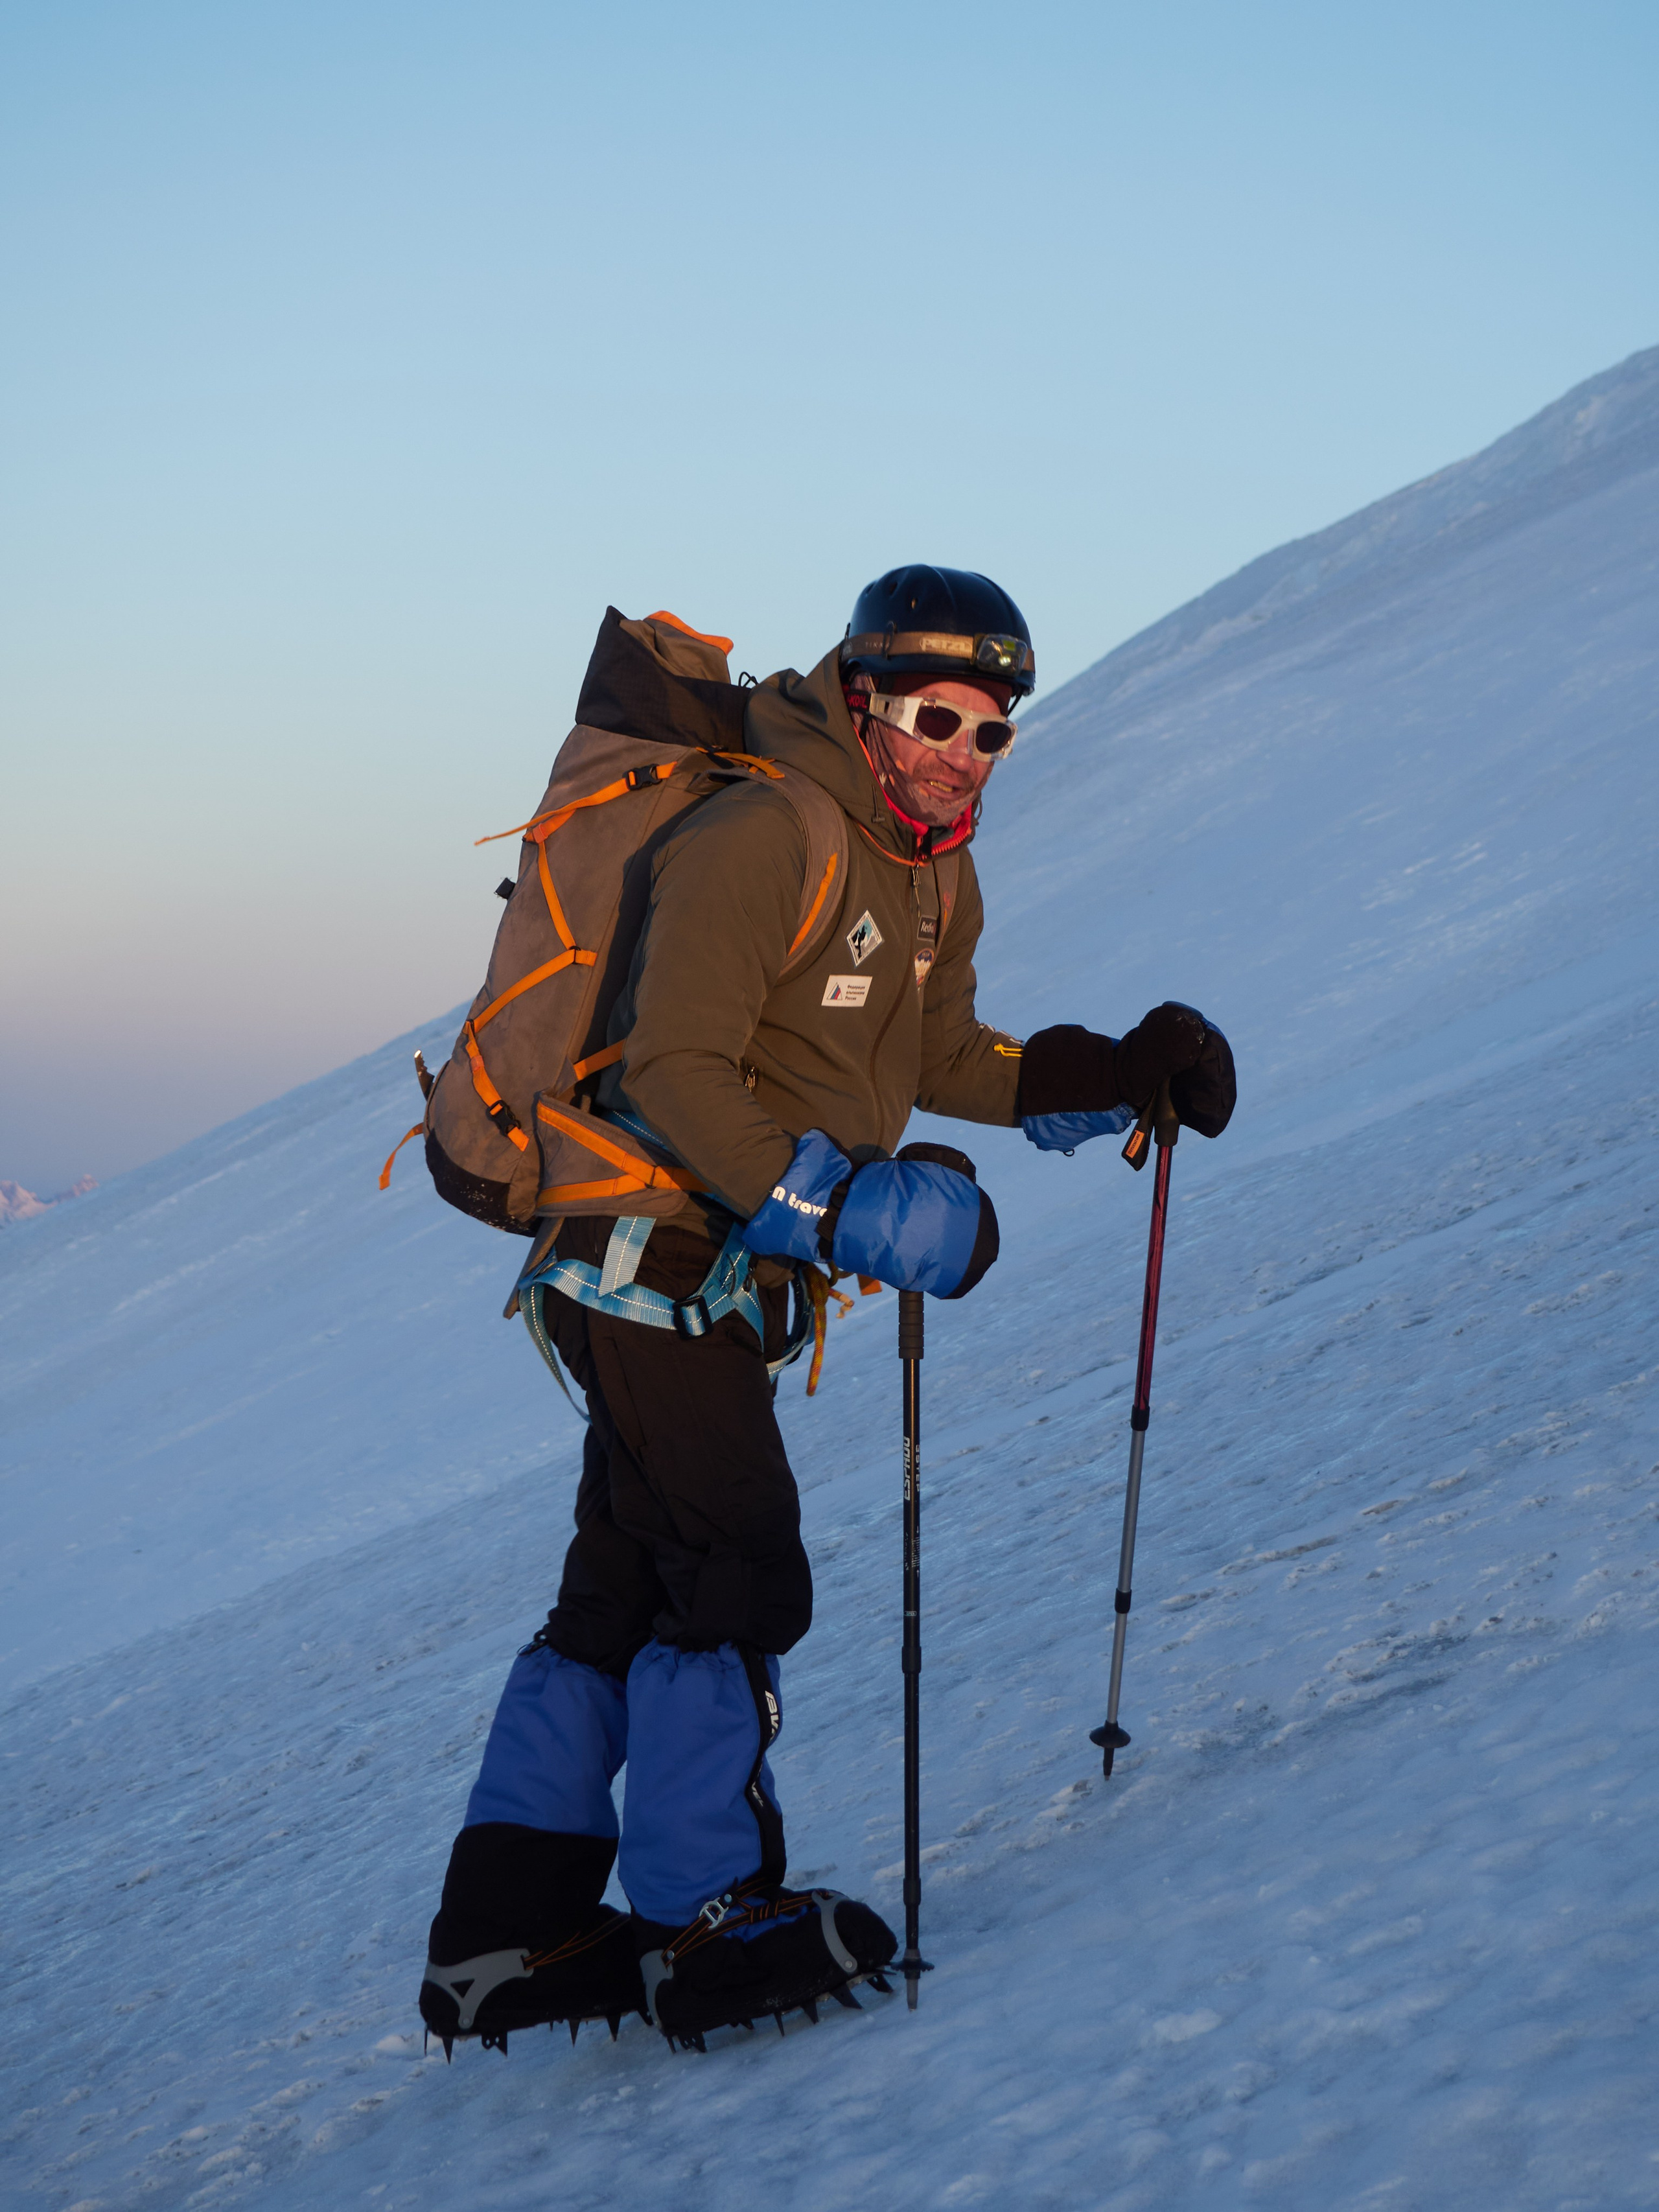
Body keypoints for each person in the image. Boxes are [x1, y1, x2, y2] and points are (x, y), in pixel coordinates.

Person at [418, 565, 1235, 2051]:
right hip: (642, 1250)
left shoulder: (928, 871)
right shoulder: (761, 833)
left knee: (626, 1579)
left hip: (715, 1264)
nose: (959, 753)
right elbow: (670, 1069)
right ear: (861, 701)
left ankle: (506, 1936)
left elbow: (933, 1055)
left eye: (991, 733)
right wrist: (837, 1205)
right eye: (935, 716)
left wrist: (1106, 1070)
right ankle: (704, 1917)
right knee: (735, 1563)